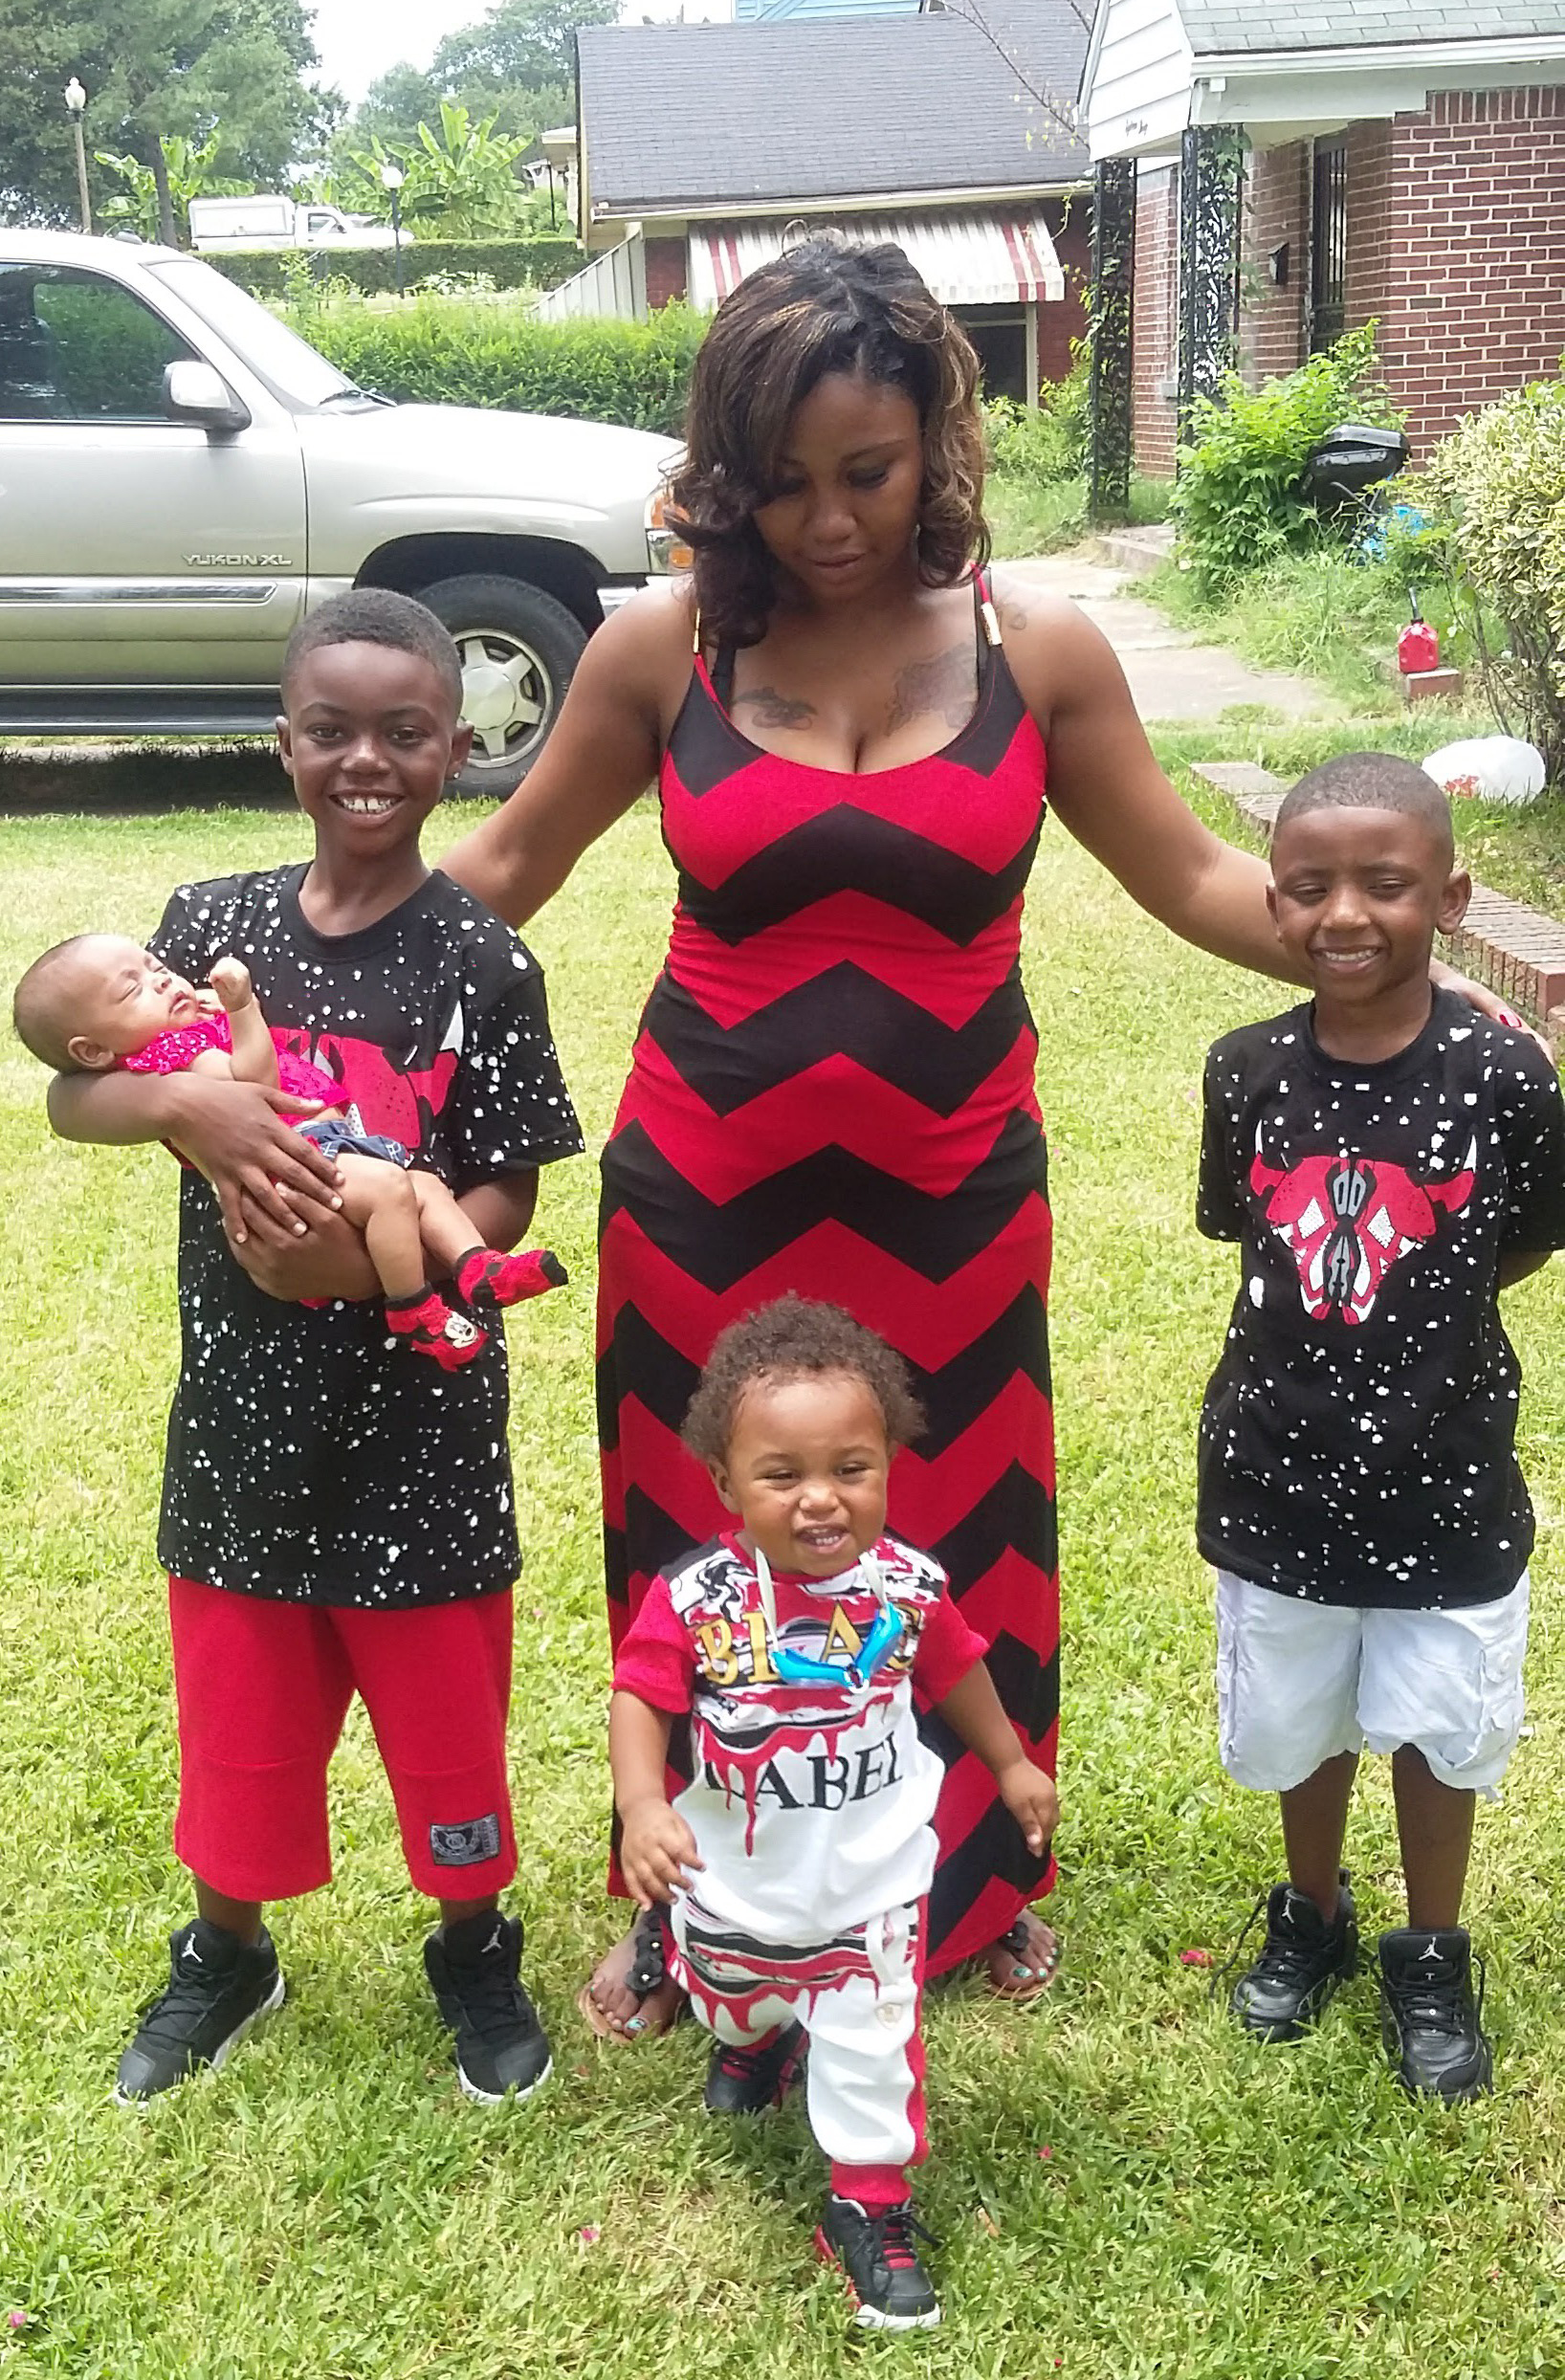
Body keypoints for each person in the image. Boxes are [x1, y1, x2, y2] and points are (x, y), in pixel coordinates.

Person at [100, 239, 1512, 2035]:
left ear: (936, 445)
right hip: (705, 1191)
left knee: (954, 1526)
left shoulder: (1038, 650)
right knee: (701, 1540)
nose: (829, 516)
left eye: (870, 469)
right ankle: (683, 1897)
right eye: (784, 476)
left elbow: (1198, 877)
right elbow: (495, 880)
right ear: (726, 460)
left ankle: (971, 1884)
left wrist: (1389, 951)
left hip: (956, 1193)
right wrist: (190, 1029)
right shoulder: (663, 643)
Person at [45, 588, 584, 2107]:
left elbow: (505, 1184)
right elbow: (71, 1092)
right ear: (282, 741)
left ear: (455, 745)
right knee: (241, 1721)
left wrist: (363, 1261)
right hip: (240, 1426)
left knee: (445, 1725)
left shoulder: (483, 958)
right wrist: (183, 1104)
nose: (367, 759)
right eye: (331, 729)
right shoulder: (205, 932)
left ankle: (472, 1945)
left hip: (418, 1422)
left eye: (404, 732)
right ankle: (229, 1949)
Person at [1197, 754, 1565, 2103]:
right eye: (1308, 887)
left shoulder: (1504, 1076)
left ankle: (1430, 1943)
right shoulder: (1244, 1072)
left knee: (1432, 1723)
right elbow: (1248, 1230)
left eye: (1386, 884)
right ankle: (1314, 1910)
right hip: (1275, 1472)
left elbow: (1520, 1236)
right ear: (1275, 905)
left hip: (1445, 1476)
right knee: (1298, 1719)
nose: (1344, 913)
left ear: (1453, 897)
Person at [610, 1295, 1058, 2330]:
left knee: (868, 2043)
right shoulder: (695, 1598)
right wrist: (641, 1803)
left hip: (871, 1886)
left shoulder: (905, 1587)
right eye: (783, 1476)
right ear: (726, 1483)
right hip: (732, 1885)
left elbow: (956, 1671)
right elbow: (641, 1695)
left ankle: (867, 2204)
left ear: (888, 1466)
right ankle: (752, 2036)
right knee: (732, 1992)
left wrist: (1009, 1760)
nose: (821, 1500)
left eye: (851, 1469)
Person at [13, 936, 566, 1369]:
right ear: (92, 1049)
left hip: (324, 1146)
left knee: (426, 1188)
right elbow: (252, 1078)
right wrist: (242, 1006)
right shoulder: (171, 1056)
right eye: (132, 990)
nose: (161, 981)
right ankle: (413, 1307)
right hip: (292, 1161)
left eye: (156, 967)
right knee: (397, 1191)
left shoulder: (181, 1035)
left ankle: (477, 1267)